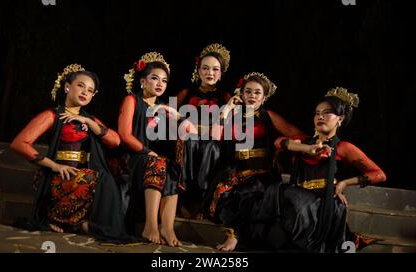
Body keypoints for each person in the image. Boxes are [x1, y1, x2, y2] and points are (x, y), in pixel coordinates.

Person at [10, 64, 133, 242]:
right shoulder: (53, 115)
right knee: (93, 179)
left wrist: (88, 122)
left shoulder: (89, 119)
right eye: (81, 85)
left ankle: (75, 223)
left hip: (81, 177)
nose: (85, 92)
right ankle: (54, 217)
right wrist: (54, 165)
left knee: (105, 177)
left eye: (90, 90)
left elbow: (115, 141)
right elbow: (19, 144)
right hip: (58, 177)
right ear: (67, 87)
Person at [273, 87, 387, 252]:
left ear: (340, 119)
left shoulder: (343, 147)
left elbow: (379, 175)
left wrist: (344, 184)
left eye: (327, 113)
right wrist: (306, 148)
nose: (320, 116)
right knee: (279, 195)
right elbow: (279, 142)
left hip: (324, 205)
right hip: (299, 204)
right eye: (317, 113)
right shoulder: (304, 141)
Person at [206, 72, 303, 251]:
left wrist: (281, 146)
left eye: (257, 93)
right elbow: (214, 136)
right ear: (241, 94)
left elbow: (298, 135)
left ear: (264, 97)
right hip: (237, 169)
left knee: (246, 193)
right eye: (248, 92)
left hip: (261, 171)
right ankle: (234, 235)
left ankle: (234, 237)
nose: (252, 96)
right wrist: (227, 108)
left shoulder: (269, 116)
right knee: (223, 191)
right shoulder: (232, 115)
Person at [118, 52, 193, 247]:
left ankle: (167, 227)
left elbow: (190, 131)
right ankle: (150, 225)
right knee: (158, 163)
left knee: (171, 169)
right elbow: (125, 135)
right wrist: (145, 151)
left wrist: (175, 114)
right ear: (142, 81)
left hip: (152, 159)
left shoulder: (163, 107)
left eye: (164, 81)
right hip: (134, 156)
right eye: (154, 78)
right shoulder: (132, 101)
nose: (160, 84)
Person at [176, 43, 233, 219]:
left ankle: (202, 201)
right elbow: (170, 117)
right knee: (190, 141)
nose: (210, 73)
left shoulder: (225, 97)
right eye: (205, 68)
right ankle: (182, 199)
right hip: (188, 140)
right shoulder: (186, 93)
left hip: (214, 142)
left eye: (215, 69)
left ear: (221, 73)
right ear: (198, 70)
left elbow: (228, 127)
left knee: (211, 147)